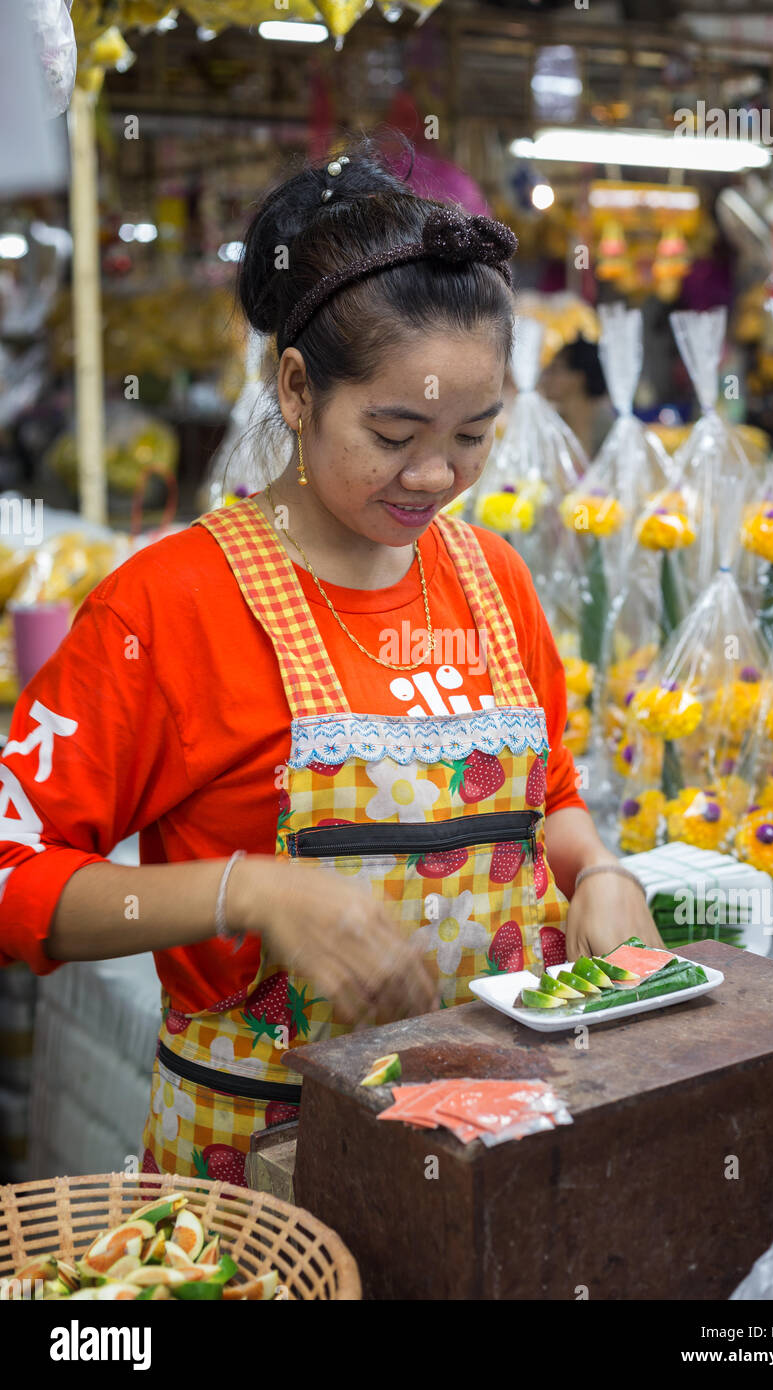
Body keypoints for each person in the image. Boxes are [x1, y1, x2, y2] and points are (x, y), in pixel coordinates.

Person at [0, 139, 661, 1182]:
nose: (436, 474)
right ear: (299, 390)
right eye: (394, 431)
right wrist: (245, 892)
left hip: (484, 1139)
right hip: (266, 1168)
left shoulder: (492, 580)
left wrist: (600, 872)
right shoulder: (167, 606)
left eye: (474, 435)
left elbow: (551, 797)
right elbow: (13, 875)